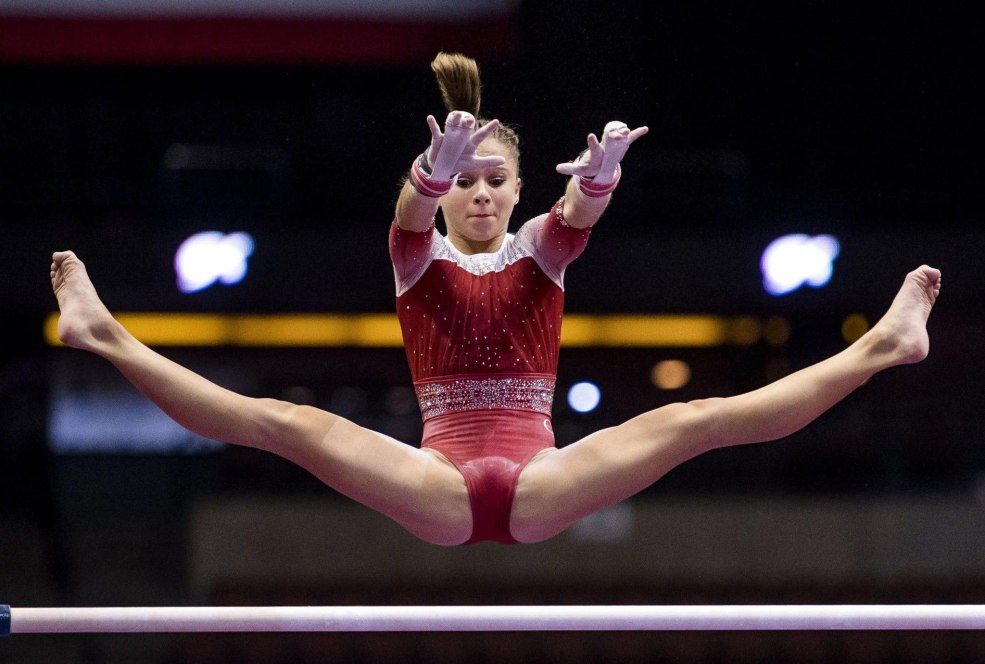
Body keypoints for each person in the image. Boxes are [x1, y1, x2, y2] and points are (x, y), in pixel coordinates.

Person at [49, 52, 941, 547]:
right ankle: (106, 336)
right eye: (465, 180)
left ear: (518, 189)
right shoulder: (416, 256)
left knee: (698, 417)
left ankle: (880, 349)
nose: (477, 193)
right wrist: (427, 176)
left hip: (544, 481)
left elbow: (576, 216)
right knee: (285, 422)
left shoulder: (540, 253)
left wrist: (597, 181)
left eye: (493, 180)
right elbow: (407, 220)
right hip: (435, 483)